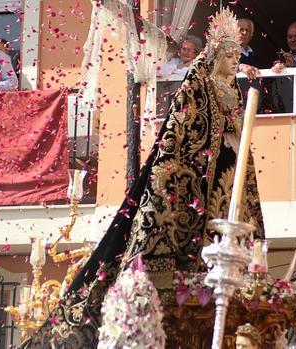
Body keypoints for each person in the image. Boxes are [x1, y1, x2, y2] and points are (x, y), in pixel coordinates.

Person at [20, 8, 265, 348]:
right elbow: (182, 128)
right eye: (230, 54)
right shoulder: (199, 80)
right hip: (196, 172)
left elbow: (240, 129)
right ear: (216, 55)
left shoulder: (234, 91)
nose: (234, 60)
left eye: (238, 54)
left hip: (224, 178)